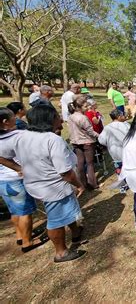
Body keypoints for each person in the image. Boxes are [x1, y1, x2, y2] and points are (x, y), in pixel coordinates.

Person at [8, 105, 86, 262]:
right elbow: (65, 172)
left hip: (37, 184)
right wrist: (79, 184)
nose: (61, 119)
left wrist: (19, 168)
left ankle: (76, 232)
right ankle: (61, 252)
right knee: (55, 221)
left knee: (64, 210)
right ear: (49, 120)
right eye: (57, 117)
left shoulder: (22, 137)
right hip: (53, 187)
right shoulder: (52, 140)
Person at [0, 108, 48, 252]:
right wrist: (19, 168)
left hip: (3, 180)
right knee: (25, 212)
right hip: (15, 179)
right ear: (5, 122)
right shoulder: (15, 137)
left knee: (14, 211)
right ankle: (28, 242)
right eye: (12, 117)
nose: (15, 118)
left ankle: (20, 236)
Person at [68, 96, 99, 190]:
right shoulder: (83, 118)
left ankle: (82, 183)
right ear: (78, 107)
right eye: (85, 106)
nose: (87, 108)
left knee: (80, 163)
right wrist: (100, 136)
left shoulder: (71, 117)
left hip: (76, 142)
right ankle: (92, 184)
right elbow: (90, 131)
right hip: (87, 142)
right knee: (89, 164)